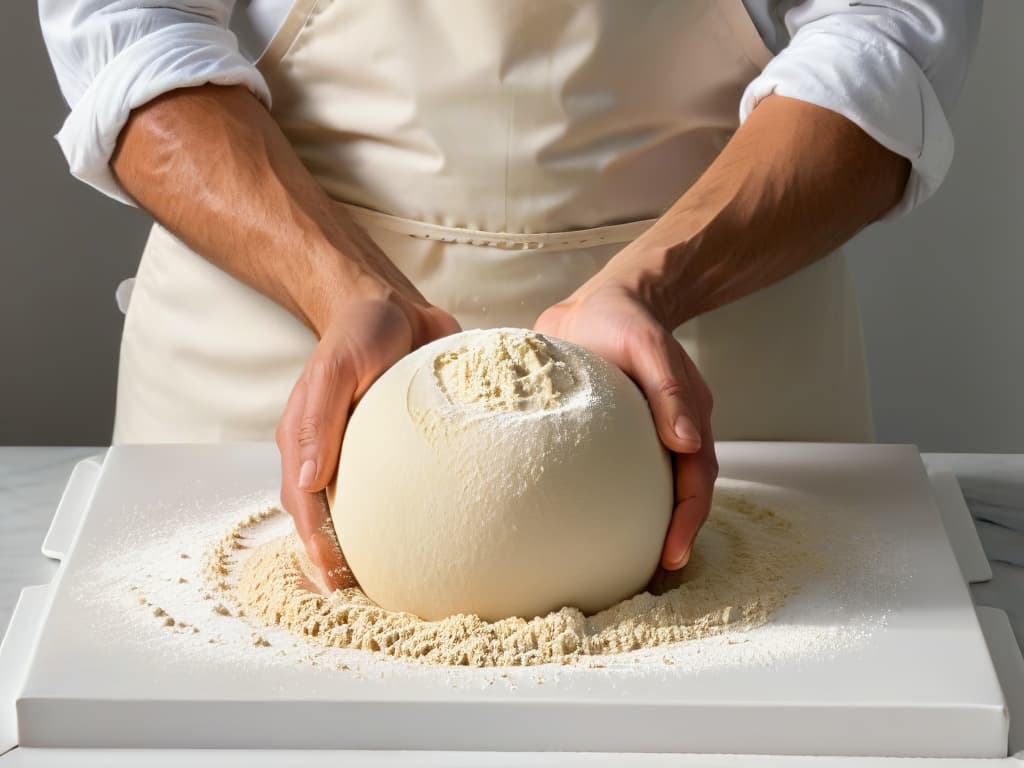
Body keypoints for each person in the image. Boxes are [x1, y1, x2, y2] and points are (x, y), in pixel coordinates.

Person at [40, 0, 979, 591]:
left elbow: (885, 37)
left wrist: (656, 281)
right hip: (268, 358)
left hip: (705, 357)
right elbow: (131, 35)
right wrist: (336, 285)